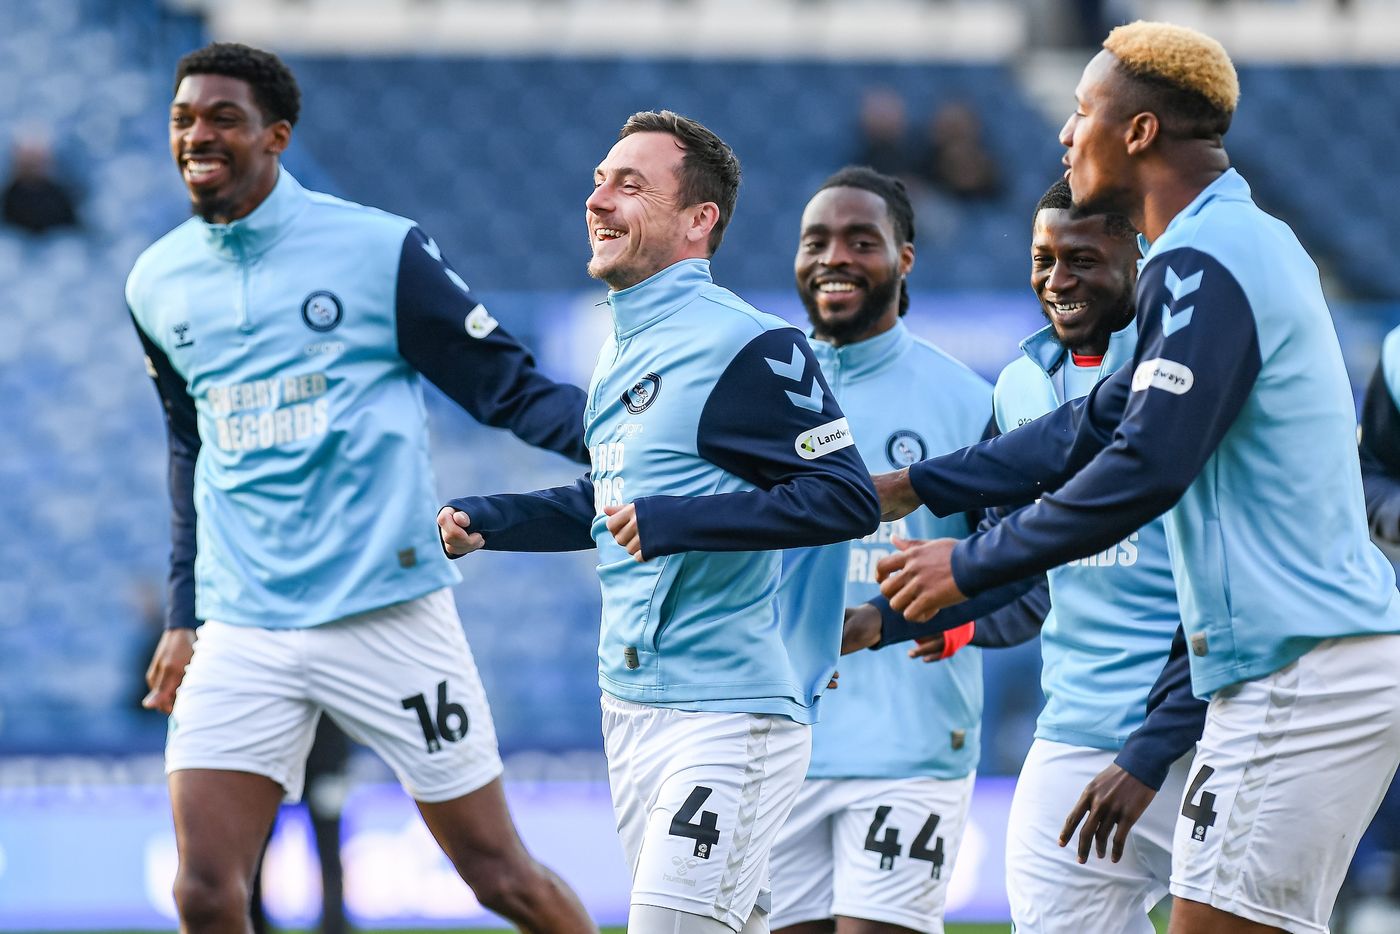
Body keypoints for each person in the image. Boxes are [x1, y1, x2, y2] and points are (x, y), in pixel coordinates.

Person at [872, 21, 1400, 934]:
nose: (1066, 132)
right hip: (1280, 668)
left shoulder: (1206, 257)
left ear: (1140, 131)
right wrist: (923, 485)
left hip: (1300, 665)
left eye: (1083, 112)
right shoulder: (1230, 244)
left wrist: (969, 563)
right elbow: (1094, 422)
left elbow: (1145, 463)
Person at [127, 42, 596, 932]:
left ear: (277, 135)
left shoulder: (377, 249)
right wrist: (184, 615)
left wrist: (635, 445)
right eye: (183, 119)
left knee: (499, 876)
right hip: (244, 623)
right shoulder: (155, 280)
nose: (197, 136)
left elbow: (508, 388)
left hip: (386, 609)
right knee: (203, 890)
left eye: (223, 118)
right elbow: (190, 448)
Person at [438, 111, 880, 934]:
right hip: (631, 707)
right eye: (599, 181)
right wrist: (490, 519)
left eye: (629, 185)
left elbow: (847, 498)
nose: (597, 200)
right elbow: (612, 504)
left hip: (730, 712)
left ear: (698, 218)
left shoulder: (752, 343)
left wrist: (682, 520)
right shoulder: (621, 348)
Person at [855, 177, 1204, 933]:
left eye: (1083, 259)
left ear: (1139, 255)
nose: (1057, 280)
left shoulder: (1187, 369)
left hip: (1210, 723)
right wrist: (888, 620)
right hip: (1076, 728)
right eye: (1044, 259)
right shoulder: (1018, 386)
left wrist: (1157, 743)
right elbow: (1011, 559)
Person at [765, 166, 988, 934]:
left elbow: (1021, 576)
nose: (835, 257)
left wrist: (916, 621)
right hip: (774, 741)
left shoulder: (968, 401)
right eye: (816, 241)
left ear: (904, 258)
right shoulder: (756, 396)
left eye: (862, 241)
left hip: (910, 745)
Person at [1, 133, 79, 234]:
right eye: (28, 161)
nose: (32, 165)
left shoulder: (58, 193)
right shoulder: (8, 194)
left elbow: (70, 225)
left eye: (35, 161)